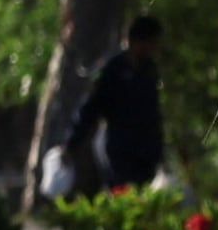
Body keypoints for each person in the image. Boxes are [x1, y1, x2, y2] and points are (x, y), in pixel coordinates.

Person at [70, 13, 168, 193]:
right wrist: (72, 143)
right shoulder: (112, 70)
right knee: (121, 192)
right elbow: (91, 107)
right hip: (119, 147)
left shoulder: (149, 69)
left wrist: (159, 149)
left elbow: (153, 113)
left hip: (146, 149)